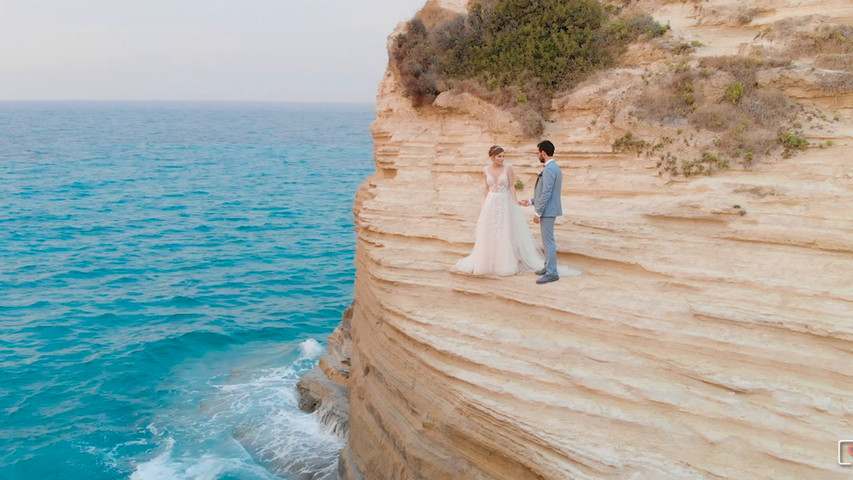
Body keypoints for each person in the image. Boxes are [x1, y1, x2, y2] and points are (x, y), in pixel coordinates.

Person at [453, 146, 545, 276]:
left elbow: (511, 185)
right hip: (491, 202)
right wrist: (485, 205)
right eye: (499, 156)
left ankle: (505, 264)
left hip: (504, 202)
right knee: (489, 232)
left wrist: (515, 201)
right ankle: (485, 263)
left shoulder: (508, 168)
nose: (502, 159)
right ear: (492, 157)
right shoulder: (485, 170)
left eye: (503, 156)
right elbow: (487, 188)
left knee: (504, 231)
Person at [519, 140, 564, 284]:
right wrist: (531, 201)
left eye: (539, 152)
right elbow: (544, 192)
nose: (538, 155)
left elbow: (547, 193)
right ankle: (547, 267)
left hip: (548, 211)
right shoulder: (553, 168)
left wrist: (537, 212)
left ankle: (552, 272)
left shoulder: (550, 169)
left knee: (548, 241)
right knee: (547, 241)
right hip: (549, 209)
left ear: (543, 152)